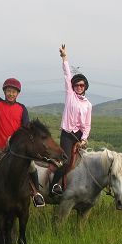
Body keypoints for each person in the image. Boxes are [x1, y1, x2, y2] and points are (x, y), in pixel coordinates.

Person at [0, 55, 46, 211]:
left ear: (18, 93)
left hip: (17, 150)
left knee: (32, 168)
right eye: (8, 91)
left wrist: (13, 139)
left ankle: (36, 194)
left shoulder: (22, 109)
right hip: (0, 148)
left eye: (14, 91)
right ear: (5, 91)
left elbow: (26, 129)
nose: (11, 93)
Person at [50, 44, 92, 196]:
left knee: (86, 163)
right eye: (76, 85)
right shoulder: (70, 95)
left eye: (82, 85)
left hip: (80, 136)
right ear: (73, 86)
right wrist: (64, 57)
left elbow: (87, 125)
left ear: (85, 86)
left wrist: (84, 139)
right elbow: (67, 75)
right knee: (66, 161)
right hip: (68, 134)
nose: (79, 87)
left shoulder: (88, 104)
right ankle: (54, 185)